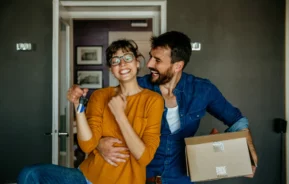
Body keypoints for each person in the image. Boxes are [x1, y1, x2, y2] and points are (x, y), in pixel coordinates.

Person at [68, 31, 258, 184]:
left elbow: (237, 119)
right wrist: (97, 145)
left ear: (177, 66)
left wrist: (249, 156)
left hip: (182, 178)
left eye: (157, 60)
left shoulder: (202, 90)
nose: (149, 64)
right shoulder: (138, 87)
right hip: (143, 177)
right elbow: (104, 120)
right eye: (150, 57)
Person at [17, 39, 164, 184]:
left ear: (137, 62)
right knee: (30, 174)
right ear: (111, 69)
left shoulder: (153, 100)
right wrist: (78, 105)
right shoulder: (100, 96)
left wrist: (119, 115)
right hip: (87, 178)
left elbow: (144, 157)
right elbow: (87, 145)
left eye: (127, 58)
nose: (122, 64)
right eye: (115, 60)